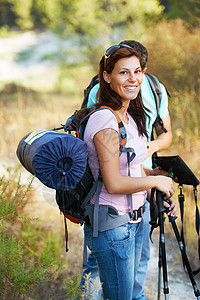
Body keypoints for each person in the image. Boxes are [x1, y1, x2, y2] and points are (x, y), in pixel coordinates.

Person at [77, 43, 177, 300]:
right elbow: (113, 182)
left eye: (137, 71)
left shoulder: (128, 116)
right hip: (113, 227)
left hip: (133, 221)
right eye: (124, 73)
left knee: (130, 294)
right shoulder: (104, 120)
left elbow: (130, 167)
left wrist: (157, 179)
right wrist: (154, 185)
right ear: (107, 77)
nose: (133, 79)